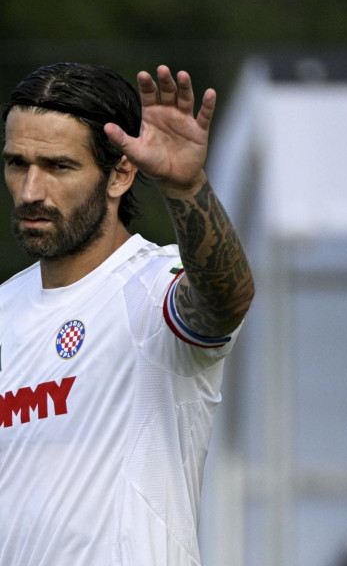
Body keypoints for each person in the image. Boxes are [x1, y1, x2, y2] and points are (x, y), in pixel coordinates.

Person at [0, 62, 254, 565]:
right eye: (16, 163)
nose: (30, 191)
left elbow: (226, 299)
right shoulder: (5, 308)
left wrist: (186, 189)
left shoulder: (153, 287)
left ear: (120, 174)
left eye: (58, 166)